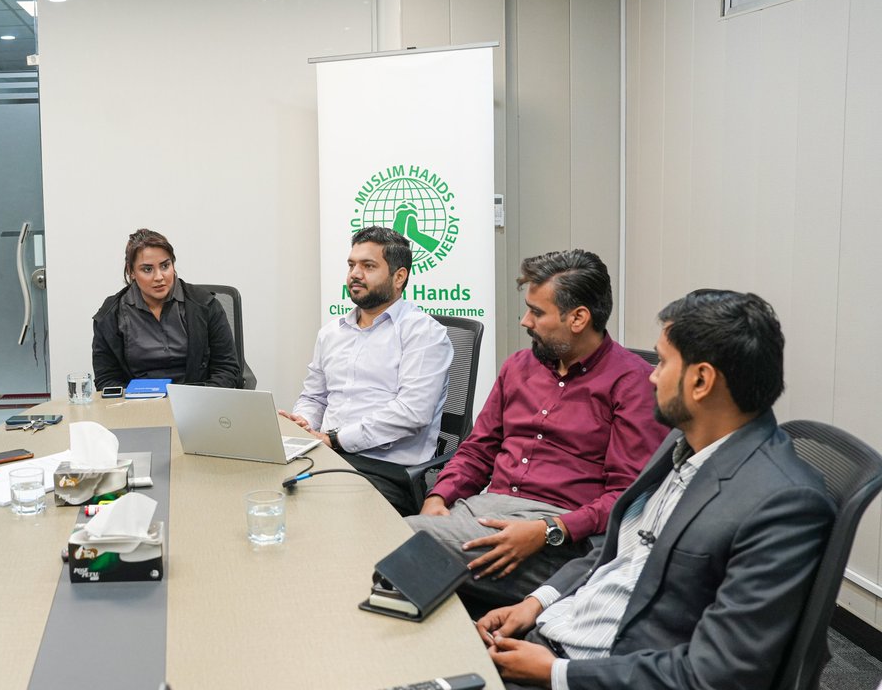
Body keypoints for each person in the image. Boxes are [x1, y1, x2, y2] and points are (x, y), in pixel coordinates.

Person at [476, 289, 835, 690]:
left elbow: (718, 672)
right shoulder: (681, 444)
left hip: (599, 670)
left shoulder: (783, 503)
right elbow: (617, 549)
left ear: (701, 381)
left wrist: (556, 674)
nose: (650, 375)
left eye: (662, 362)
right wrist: (535, 602)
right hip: (559, 630)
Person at [407, 250, 668, 608]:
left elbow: (627, 497)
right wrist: (439, 497)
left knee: (393, 540)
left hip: (555, 538)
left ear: (578, 318)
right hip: (481, 512)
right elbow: (478, 448)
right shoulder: (519, 366)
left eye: (538, 312)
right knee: (403, 574)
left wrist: (549, 529)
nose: (525, 321)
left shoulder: (632, 382)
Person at [283, 227, 453, 516]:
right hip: (326, 457)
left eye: (368, 266)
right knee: (271, 493)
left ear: (399, 277)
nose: (355, 274)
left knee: (319, 514)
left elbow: (412, 413)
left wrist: (335, 439)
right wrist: (303, 423)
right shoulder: (331, 333)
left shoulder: (424, 334)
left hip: (387, 471)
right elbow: (314, 397)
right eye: (351, 265)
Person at [92, 228, 242, 389]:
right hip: (138, 406)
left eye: (165, 266)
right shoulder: (110, 315)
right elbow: (106, 380)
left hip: (196, 402)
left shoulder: (205, 305)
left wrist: (200, 400)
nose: (159, 277)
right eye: (147, 269)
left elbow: (227, 369)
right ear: (131, 271)